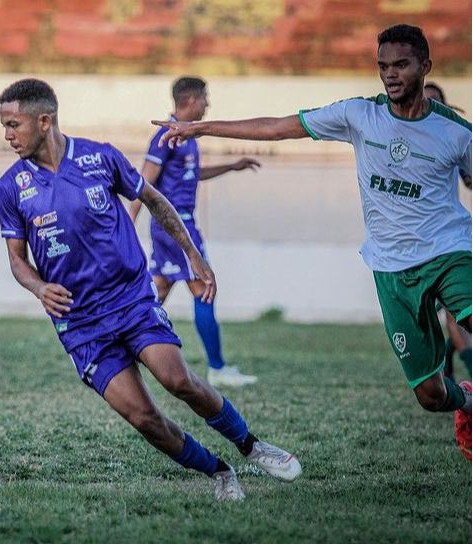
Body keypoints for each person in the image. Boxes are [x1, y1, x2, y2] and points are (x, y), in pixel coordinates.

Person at [153, 24, 472, 460]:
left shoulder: (456, 131)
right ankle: (468, 402)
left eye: (401, 65)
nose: (391, 74)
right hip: (392, 269)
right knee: (431, 395)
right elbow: (280, 127)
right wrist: (204, 128)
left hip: (450, 251)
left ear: (425, 66)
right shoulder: (360, 115)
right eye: (383, 66)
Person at [0, 78, 301, 501]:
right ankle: (219, 471)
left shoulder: (99, 157)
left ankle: (251, 446)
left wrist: (193, 255)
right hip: (80, 324)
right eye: (4, 126)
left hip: (130, 299)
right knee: (144, 418)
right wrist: (38, 287)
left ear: (44, 121)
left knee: (179, 380)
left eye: (13, 125)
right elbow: (16, 260)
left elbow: (156, 200)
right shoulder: (11, 186)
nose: (8, 135)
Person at [128, 76, 260, 387]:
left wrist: (231, 166)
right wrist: (125, 224)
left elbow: (191, 174)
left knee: (155, 291)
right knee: (205, 288)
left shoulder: (186, 137)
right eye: (205, 99)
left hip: (177, 224)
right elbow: (142, 183)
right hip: (176, 225)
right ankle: (217, 368)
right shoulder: (165, 135)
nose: (207, 104)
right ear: (190, 100)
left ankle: (115, 348)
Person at [422, 82, 472, 381]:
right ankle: (446, 365)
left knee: (455, 317)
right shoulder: (402, 139)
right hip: (412, 250)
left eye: (435, 103)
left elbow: (468, 178)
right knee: (431, 321)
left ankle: (459, 373)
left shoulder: (452, 138)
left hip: (447, 243)